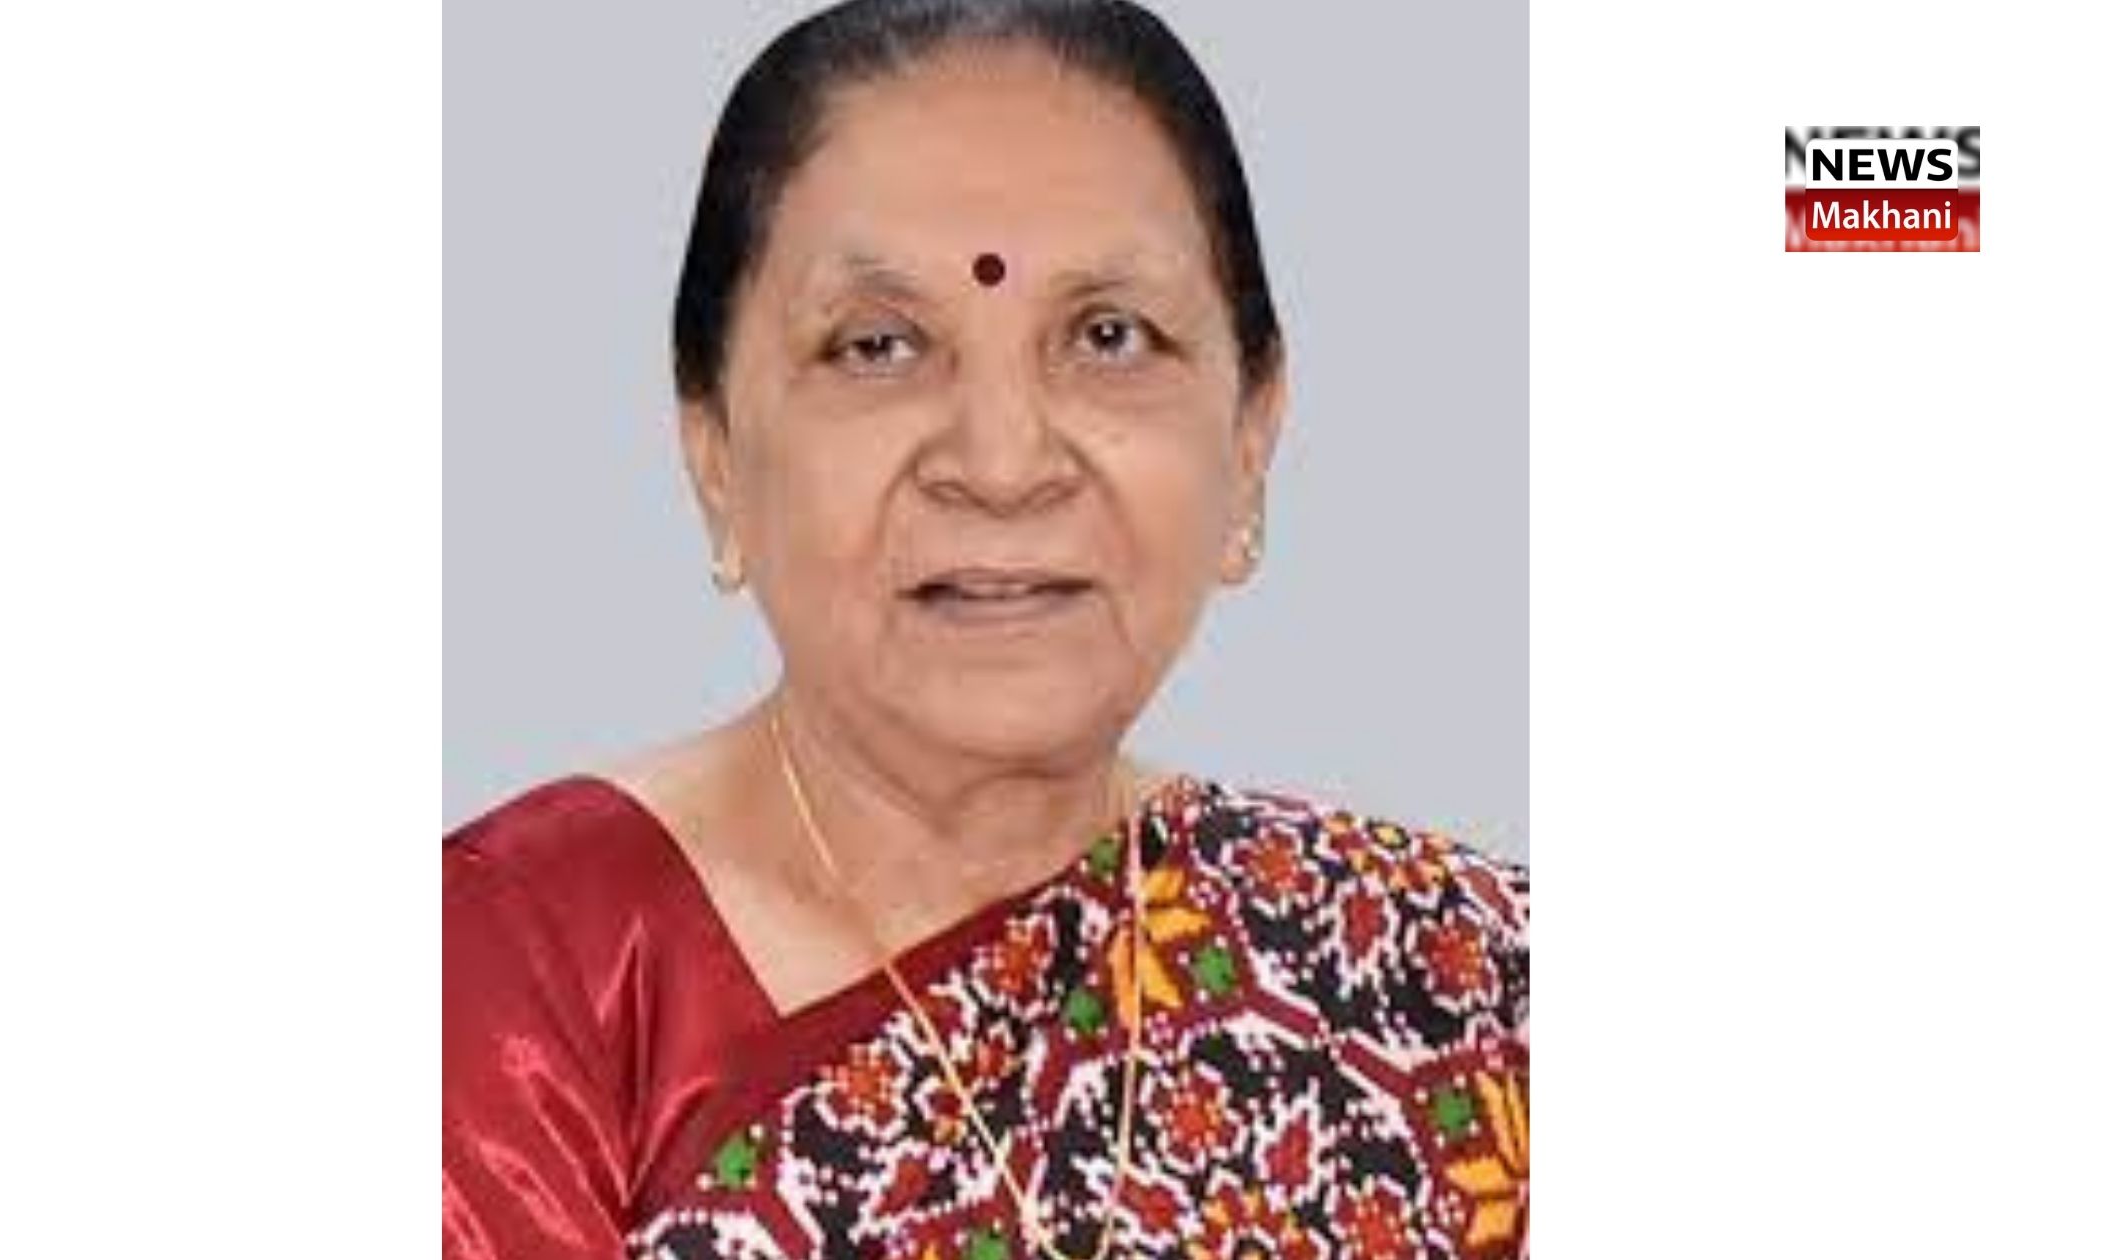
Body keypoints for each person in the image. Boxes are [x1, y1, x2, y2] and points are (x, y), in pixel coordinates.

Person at [443, 2, 1528, 1256]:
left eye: (1109, 337)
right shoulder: (516, 978)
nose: (1003, 464)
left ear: (1250, 436)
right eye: (877, 346)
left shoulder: (1459, 977)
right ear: (713, 454)